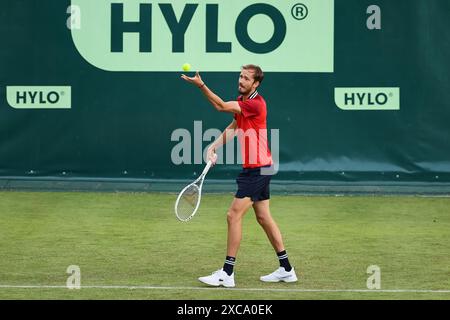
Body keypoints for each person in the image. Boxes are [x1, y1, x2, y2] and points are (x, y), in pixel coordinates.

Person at [181, 65, 297, 287]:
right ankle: (287, 269)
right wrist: (213, 147)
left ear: (256, 84)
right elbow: (235, 126)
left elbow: (221, 106)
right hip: (263, 167)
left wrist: (201, 85)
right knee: (263, 217)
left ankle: (227, 273)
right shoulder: (244, 102)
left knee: (233, 215)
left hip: (257, 170)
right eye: (240, 76)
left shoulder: (254, 104)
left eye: (246, 78)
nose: (241, 80)